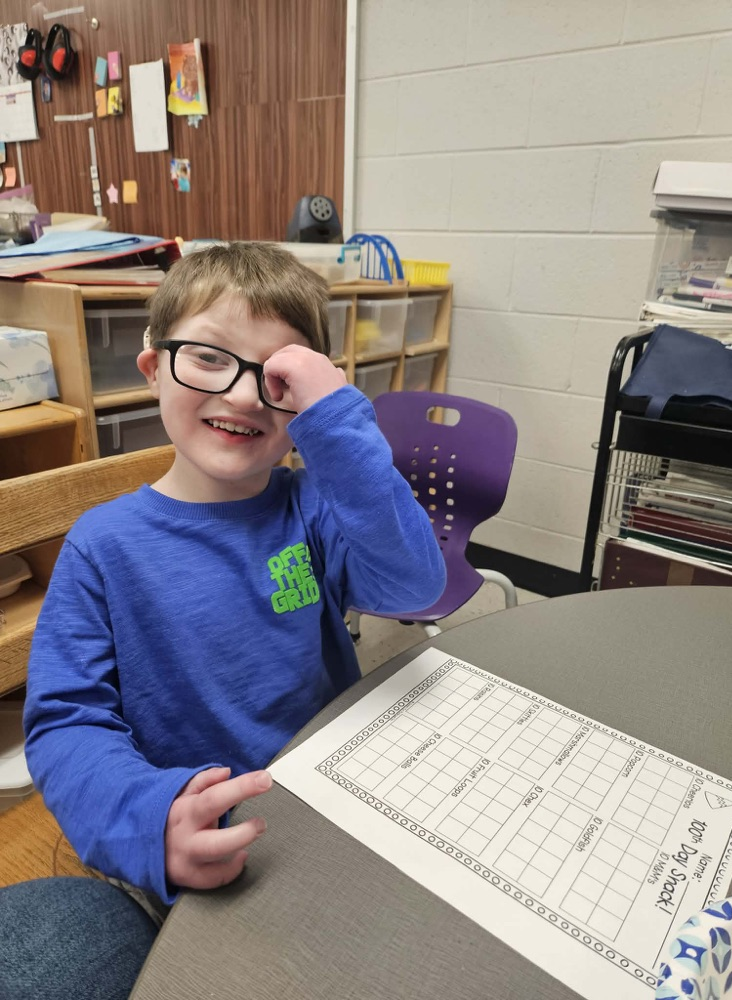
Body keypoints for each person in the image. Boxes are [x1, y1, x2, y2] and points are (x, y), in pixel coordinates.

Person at [1, 242, 445, 999]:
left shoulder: (311, 507)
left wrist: (336, 418)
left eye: (277, 378)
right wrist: (147, 817)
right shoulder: (102, 548)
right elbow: (66, 724)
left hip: (328, 813)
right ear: (152, 371)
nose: (243, 397)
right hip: (175, 842)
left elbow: (413, 584)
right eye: (208, 358)